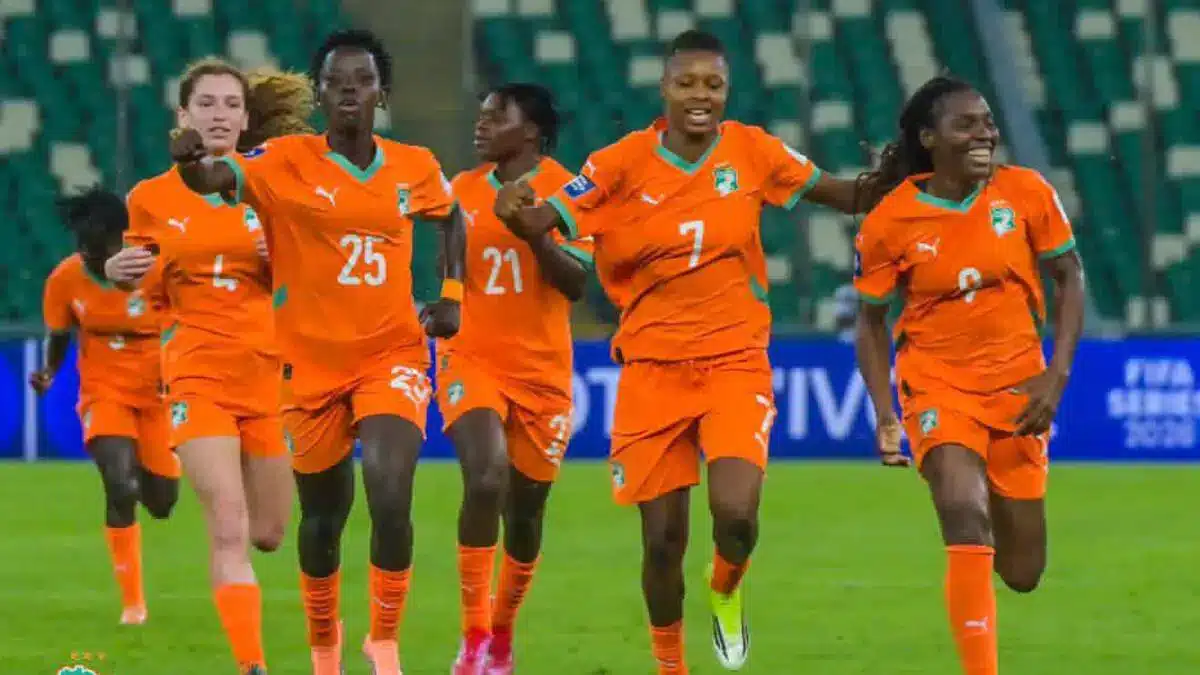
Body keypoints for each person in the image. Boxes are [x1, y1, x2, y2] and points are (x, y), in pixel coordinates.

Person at [496, 29, 866, 674]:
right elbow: (544, 220)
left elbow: (846, 195)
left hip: (733, 360)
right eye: (687, 83)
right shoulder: (617, 165)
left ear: (727, 91)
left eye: (714, 85)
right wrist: (516, 210)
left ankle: (726, 589)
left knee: (736, 516)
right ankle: (672, 666)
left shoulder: (753, 151)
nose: (701, 95)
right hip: (652, 369)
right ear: (664, 89)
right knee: (662, 543)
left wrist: (901, 173)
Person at [168, 29, 465, 675]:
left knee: (391, 489)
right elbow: (216, 177)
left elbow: (452, 217)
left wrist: (450, 292)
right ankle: (325, 647)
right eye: (336, 81)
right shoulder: (282, 160)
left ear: (382, 92)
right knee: (323, 518)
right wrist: (193, 162)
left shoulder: (413, 165)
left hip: (392, 354)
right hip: (310, 368)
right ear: (321, 92)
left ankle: (383, 639)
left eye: (362, 80)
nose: (350, 91)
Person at [853, 75, 1085, 675]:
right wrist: (884, 413)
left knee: (1022, 572)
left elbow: (1069, 277)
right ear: (930, 139)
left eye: (987, 122)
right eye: (967, 124)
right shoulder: (890, 221)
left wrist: (1055, 375)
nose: (985, 133)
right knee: (961, 507)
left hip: (1019, 390)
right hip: (937, 385)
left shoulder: (1027, 192)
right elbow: (872, 323)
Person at [104, 59, 313, 674]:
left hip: (265, 376)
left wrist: (276, 253)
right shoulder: (151, 198)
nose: (219, 115)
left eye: (230, 105)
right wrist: (120, 272)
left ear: (247, 120)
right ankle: (252, 665)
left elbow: (309, 274)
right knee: (227, 523)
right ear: (183, 117)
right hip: (197, 372)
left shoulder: (268, 188)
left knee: (269, 533)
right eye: (207, 104)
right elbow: (142, 284)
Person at [441, 83, 591, 675]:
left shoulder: (573, 190)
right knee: (484, 477)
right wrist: (447, 299)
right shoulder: (461, 189)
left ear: (529, 132)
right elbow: (449, 263)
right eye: (478, 115)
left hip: (542, 374)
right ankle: (473, 638)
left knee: (525, 518)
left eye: (494, 116)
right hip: (471, 357)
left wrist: (534, 232)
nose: (480, 125)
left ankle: (501, 635)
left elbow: (578, 284)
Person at [32, 187, 180, 626]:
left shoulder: (157, 270)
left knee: (162, 503)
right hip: (104, 393)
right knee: (119, 487)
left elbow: (188, 321)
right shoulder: (64, 279)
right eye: (85, 250)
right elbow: (60, 333)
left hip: (157, 397)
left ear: (124, 238)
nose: (92, 260)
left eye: (101, 249)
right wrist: (49, 372)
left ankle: (153, 468)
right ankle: (133, 605)